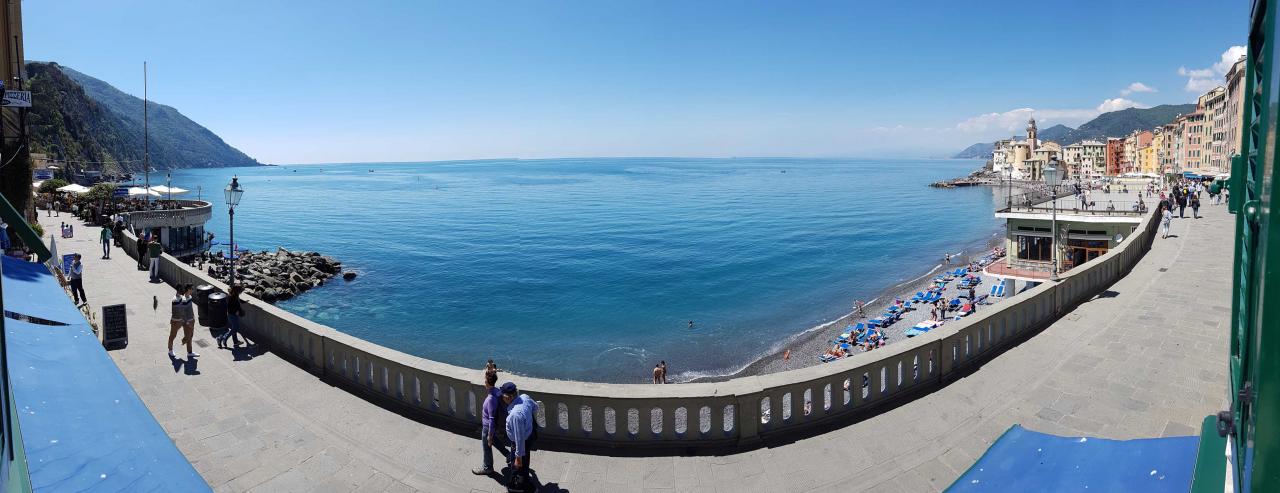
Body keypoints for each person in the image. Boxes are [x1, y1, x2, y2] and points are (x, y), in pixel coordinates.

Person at [471, 370, 509, 476]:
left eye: (485, 380)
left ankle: (488, 467)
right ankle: (508, 454)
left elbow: (491, 418)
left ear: (487, 383)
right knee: (494, 441)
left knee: (487, 446)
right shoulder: (497, 391)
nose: (484, 382)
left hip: (488, 426)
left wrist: (490, 435)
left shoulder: (491, 399)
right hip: (493, 425)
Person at [501, 383, 538, 488]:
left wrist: (518, 457)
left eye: (503, 395)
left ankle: (519, 486)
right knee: (526, 462)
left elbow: (519, 437)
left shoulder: (515, 414)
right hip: (529, 436)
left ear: (510, 397)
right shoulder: (524, 397)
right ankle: (524, 480)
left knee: (518, 466)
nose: (501, 397)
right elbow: (535, 407)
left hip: (520, 443)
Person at [168, 284, 198, 359]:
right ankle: (170, 350)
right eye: (182, 289)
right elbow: (180, 312)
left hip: (184, 320)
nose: (183, 291)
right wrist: (186, 321)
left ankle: (189, 352)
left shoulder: (185, 298)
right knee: (173, 336)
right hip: (176, 321)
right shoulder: (176, 300)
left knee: (190, 335)